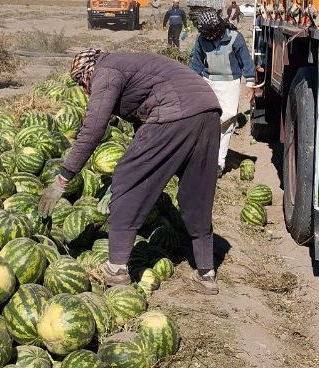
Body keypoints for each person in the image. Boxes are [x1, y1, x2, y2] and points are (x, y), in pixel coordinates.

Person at [36, 49, 222, 294]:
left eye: (83, 83)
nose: (85, 90)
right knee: (196, 192)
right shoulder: (127, 64)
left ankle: (116, 268)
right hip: (208, 111)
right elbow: (143, 126)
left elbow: (93, 129)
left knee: (127, 180)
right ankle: (206, 272)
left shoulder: (106, 71)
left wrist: (63, 178)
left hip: (174, 112)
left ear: (87, 72)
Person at [188, 6, 255, 173]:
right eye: (206, 35)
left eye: (211, 34)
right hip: (208, 81)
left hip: (229, 83)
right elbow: (196, 63)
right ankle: (208, 160)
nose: (209, 37)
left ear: (218, 28)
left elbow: (246, 61)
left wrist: (250, 82)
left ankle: (219, 160)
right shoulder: (201, 39)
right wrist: (190, 84)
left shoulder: (235, 37)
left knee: (229, 118)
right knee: (205, 117)